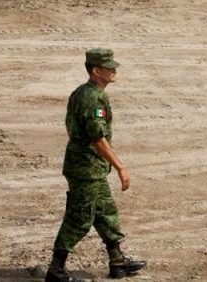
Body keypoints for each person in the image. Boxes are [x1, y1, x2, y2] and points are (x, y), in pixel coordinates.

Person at [45, 49, 146, 282]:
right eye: (109, 68)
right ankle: (56, 270)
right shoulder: (92, 98)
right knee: (79, 218)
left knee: (106, 213)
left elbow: (71, 128)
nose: (114, 70)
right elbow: (97, 138)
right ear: (96, 71)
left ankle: (117, 260)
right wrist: (120, 166)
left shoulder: (84, 93)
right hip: (86, 170)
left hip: (91, 168)